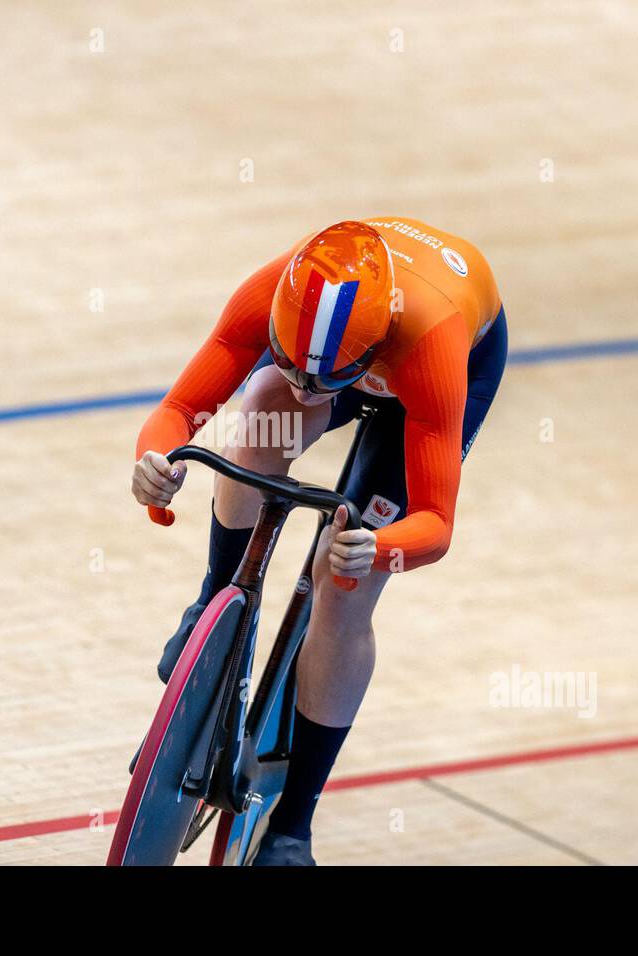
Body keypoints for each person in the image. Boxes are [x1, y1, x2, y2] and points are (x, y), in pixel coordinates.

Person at [131, 218, 508, 865]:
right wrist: (155, 463)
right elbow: (178, 412)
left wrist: (381, 548)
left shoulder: (431, 343)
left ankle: (292, 826)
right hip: (365, 358)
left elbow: (436, 529)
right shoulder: (270, 291)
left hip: (432, 377)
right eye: (293, 366)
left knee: (345, 588)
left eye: (323, 379)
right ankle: (212, 604)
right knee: (255, 426)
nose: (305, 390)